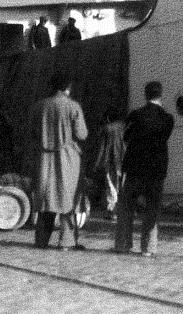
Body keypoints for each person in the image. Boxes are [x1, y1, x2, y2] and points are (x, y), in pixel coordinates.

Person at [114, 81, 174, 257]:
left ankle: (123, 244)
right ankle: (148, 247)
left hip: (134, 167)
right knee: (152, 208)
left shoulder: (135, 115)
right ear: (160, 95)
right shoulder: (167, 118)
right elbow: (164, 137)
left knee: (126, 206)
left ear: (145, 94)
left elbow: (126, 138)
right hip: (156, 169)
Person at [30, 72, 88, 249]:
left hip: (44, 159)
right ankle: (67, 241)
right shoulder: (73, 107)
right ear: (68, 88)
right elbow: (82, 134)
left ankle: (41, 240)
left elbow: (33, 133)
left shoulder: (39, 106)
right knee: (67, 198)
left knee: (47, 199)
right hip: (67, 158)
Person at [92, 107, 126, 219]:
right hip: (124, 160)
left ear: (107, 118)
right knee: (123, 185)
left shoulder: (107, 129)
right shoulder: (124, 126)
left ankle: (112, 211)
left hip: (111, 160)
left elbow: (102, 148)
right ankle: (124, 209)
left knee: (111, 186)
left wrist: (97, 163)